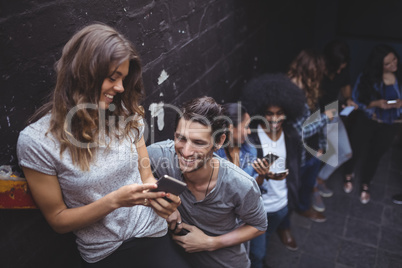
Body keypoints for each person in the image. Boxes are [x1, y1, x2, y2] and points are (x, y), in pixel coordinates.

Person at [16, 23, 190, 268]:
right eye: (112, 78)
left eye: (123, 79)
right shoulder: (36, 141)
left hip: (152, 232)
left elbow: (146, 175)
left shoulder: (128, 116)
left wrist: (163, 199)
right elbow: (58, 220)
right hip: (106, 252)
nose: (120, 88)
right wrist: (114, 201)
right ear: (83, 74)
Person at [147, 96, 267, 268]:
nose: (186, 151)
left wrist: (210, 242)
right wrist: (162, 204)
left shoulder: (241, 184)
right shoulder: (159, 156)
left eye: (198, 143)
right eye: (181, 138)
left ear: (219, 141)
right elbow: (135, 168)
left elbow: (259, 225)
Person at [241, 73, 305, 267]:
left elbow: (296, 167)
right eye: (270, 113)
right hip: (260, 208)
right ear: (260, 111)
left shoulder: (292, 135)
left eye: (280, 113)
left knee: (265, 240)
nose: (275, 119)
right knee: (257, 255)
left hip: (282, 205)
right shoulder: (251, 139)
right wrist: (262, 175)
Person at [350, 44, 402, 204]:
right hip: (368, 121)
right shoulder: (367, 78)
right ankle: (348, 174)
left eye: (394, 59)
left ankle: (366, 182)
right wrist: (376, 104)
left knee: (376, 155)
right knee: (356, 149)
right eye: (388, 63)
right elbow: (356, 101)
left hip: (390, 124)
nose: (394, 64)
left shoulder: (399, 75)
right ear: (379, 65)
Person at [287, 49, 333, 222]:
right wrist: (325, 118)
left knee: (307, 185)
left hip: (312, 151)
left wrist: (321, 145)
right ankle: (285, 225)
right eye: (319, 72)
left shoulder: (308, 87)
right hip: (298, 155)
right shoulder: (292, 94)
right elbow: (299, 131)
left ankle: (304, 208)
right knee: (292, 189)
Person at [312, 40, 355, 211]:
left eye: (343, 67)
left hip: (334, 114)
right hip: (317, 119)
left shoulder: (342, 71)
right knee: (322, 154)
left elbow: (346, 92)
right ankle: (313, 187)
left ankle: (319, 180)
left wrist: (350, 101)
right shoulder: (317, 72)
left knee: (346, 153)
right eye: (338, 66)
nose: (340, 70)